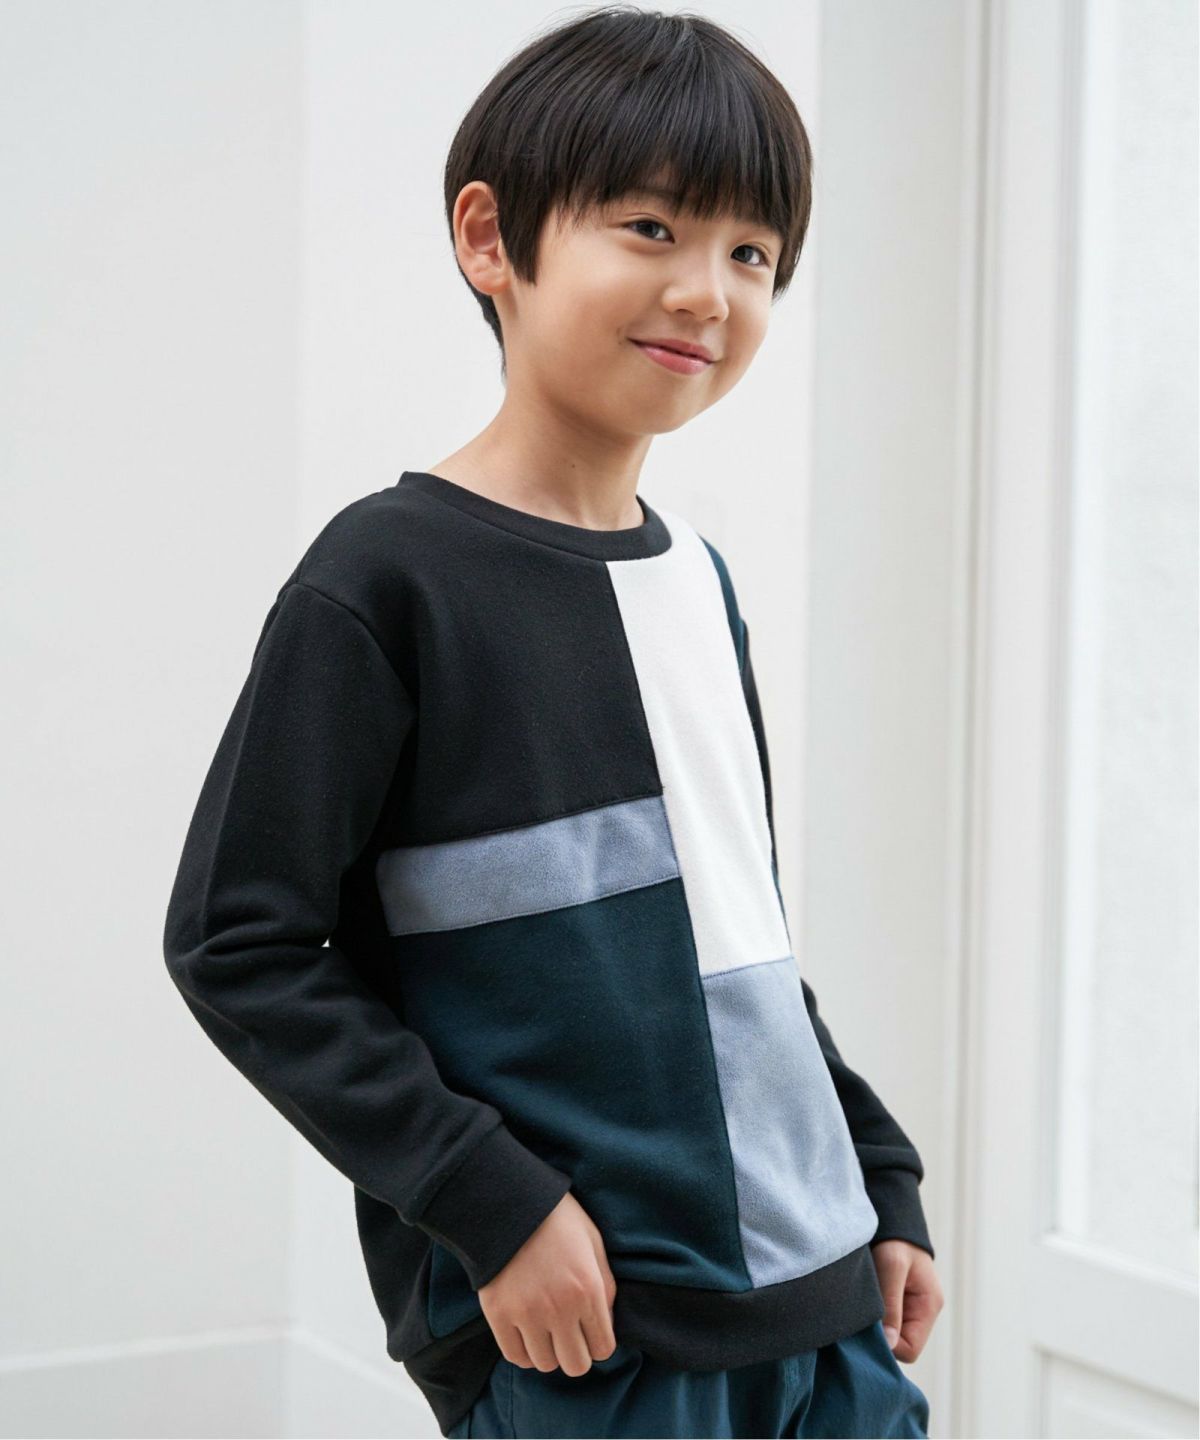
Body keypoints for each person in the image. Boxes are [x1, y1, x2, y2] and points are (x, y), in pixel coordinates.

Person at [162, 5, 945, 1436]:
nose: (707, 291)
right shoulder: (385, 579)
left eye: (753, 252)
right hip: (592, 1347)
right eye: (651, 227)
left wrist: (878, 1176)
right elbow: (239, 942)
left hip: (825, 1313)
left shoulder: (701, 584)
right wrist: (493, 1205)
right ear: (489, 238)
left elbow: (737, 937)